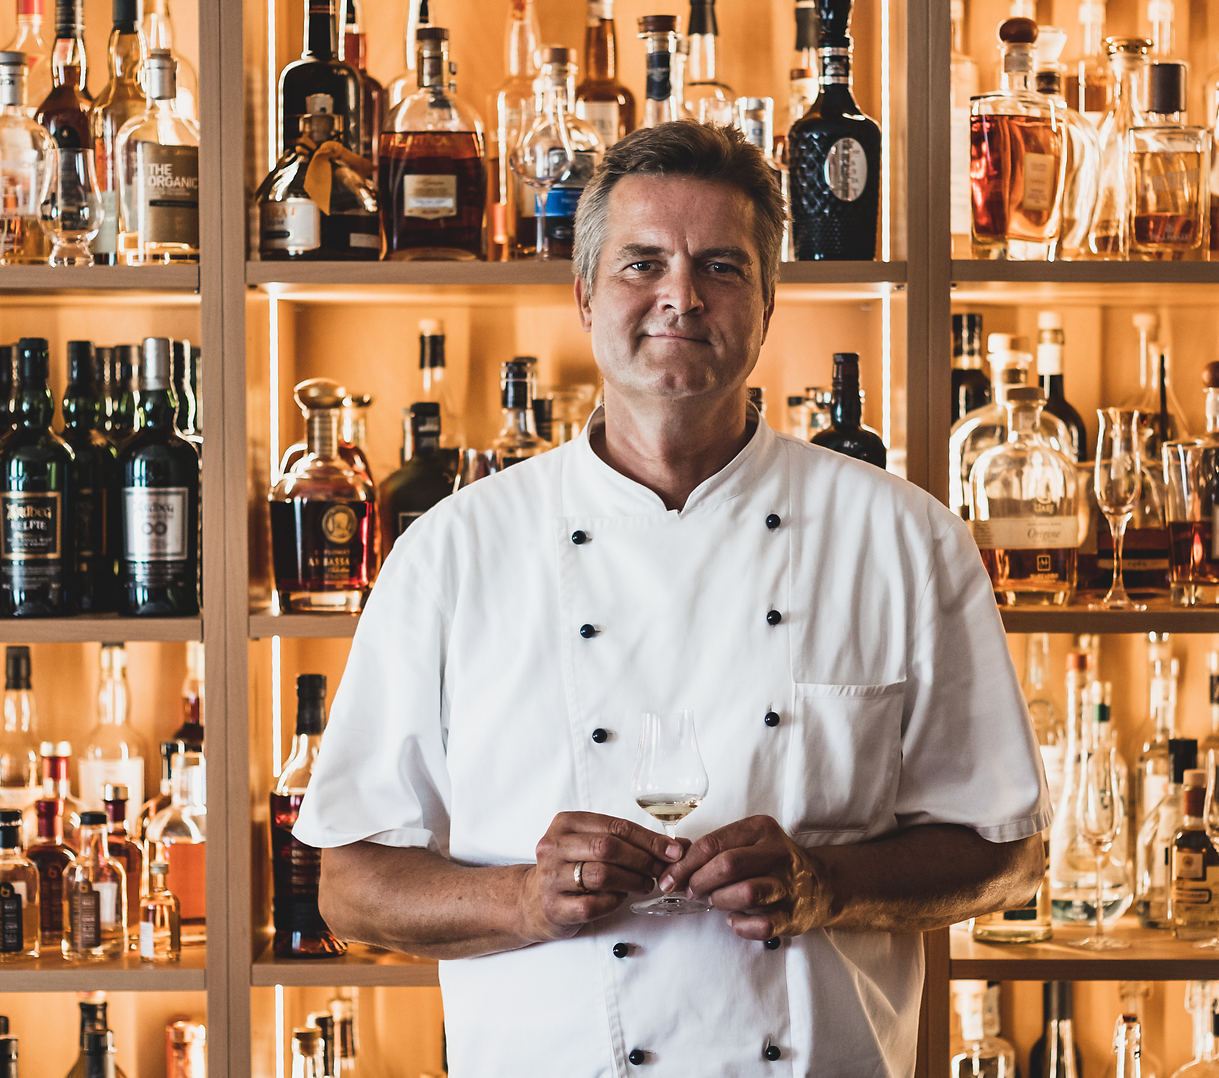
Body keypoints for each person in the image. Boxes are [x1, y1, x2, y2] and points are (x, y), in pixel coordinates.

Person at [297, 121, 1049, 1077]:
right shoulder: (453, 552)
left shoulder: (903, 538)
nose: (680, 296)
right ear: (583, 295)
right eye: (641, 263)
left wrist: (824, 884)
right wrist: (522, 901)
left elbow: (1006, 854)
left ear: (770, 304)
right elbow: (350, 886)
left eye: (722, 267)